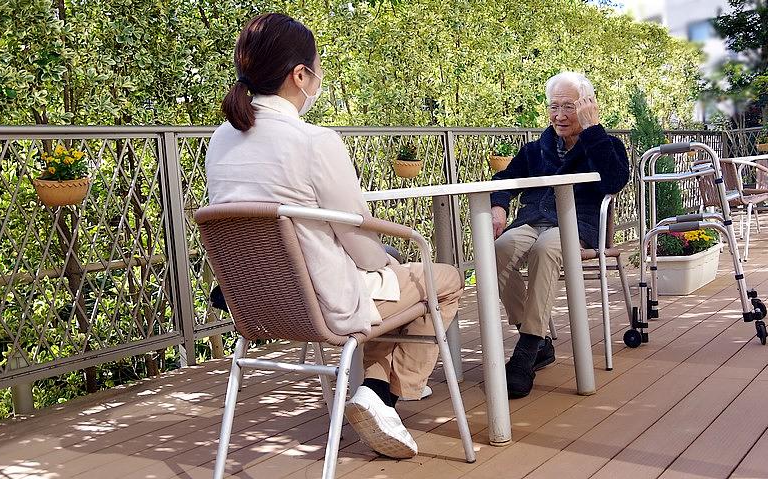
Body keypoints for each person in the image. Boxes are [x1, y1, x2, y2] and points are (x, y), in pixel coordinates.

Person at [204, 13, 463, 459]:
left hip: (258, 302)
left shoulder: (220, 141)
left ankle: (377, 398)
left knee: (392, 282)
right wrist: (390, 260)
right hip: (326, 303)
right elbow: (358, 238)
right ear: (300, 75)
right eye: (317, 68)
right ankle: (380, 396)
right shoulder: (314, 141)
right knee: (440, 279)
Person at [490, 71, 630, 398]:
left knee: (546, 249)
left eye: (569, 106)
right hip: (534, 217)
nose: (559, 115)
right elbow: (504, 178)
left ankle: (527, 349)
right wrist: (499, 205)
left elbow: (614, 181)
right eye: (554, 106)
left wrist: (593, 129)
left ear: (586, 107)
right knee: (497, 249)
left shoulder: (606, 144)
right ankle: (538, 339)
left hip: (577, 224)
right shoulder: (538, 149)